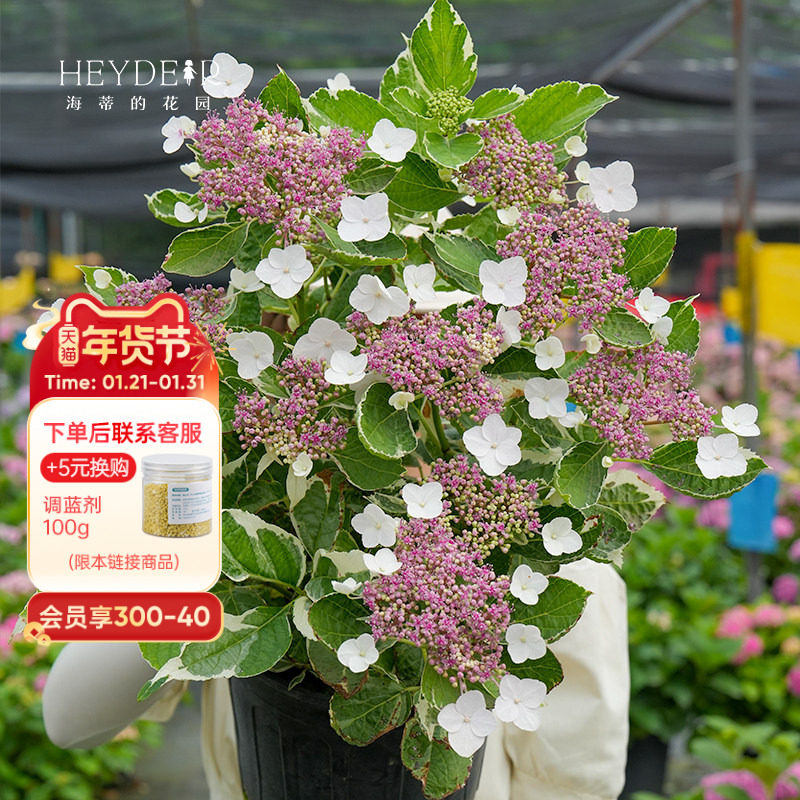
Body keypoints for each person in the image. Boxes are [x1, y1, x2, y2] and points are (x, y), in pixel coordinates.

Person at [42, 558, 628, 800]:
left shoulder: (550, 563)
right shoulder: (249, 496)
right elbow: (68, 722)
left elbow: (574, 784)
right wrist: (195, 545)